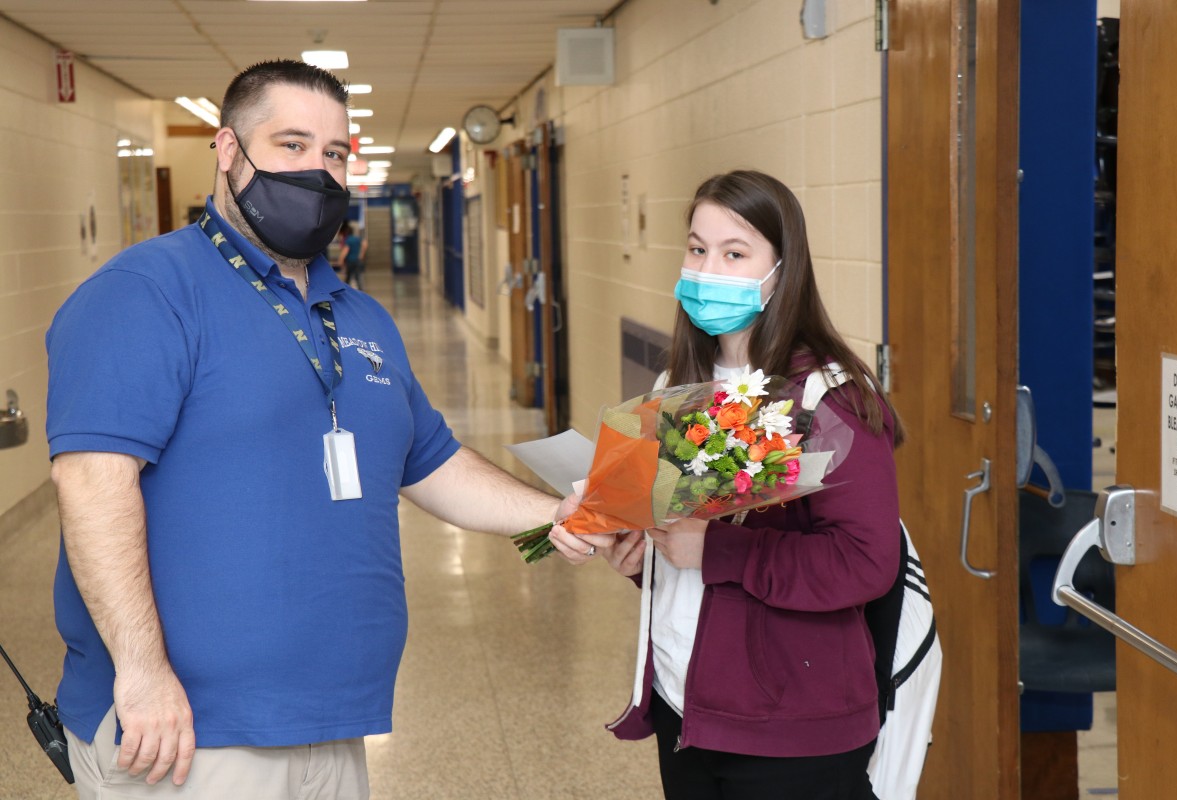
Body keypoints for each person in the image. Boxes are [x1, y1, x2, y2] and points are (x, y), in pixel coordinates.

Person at [45, 59, 597, 799]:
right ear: (229, 150)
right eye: (292, 145)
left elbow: (429, 463)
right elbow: (90, 483)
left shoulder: (358, 316)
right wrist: (142, 674)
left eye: (335, 153)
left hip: (333, 717)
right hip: (185, 732)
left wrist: (554, 513)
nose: (319, 171)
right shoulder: (146, 292)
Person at [550, 170, 904, 800]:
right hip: (686, 707)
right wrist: (636, 553)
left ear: (782, 270)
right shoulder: (674, 386)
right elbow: (680, 548)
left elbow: (866, 562)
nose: (708, 268)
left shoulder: (830, 398)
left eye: (735, 253)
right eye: (697, 249)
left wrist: (714, 550)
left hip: (794, 728)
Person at [336, 220, 368, 289]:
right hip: (358, 261)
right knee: (358, 277)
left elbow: (345, 251)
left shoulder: (348, 240)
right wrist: (361, 254)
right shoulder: (356, 238)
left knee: (348, 278)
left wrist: (340, 260)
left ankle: (345, 291)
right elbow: (365, 243)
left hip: (350, 262)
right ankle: (361, 292)